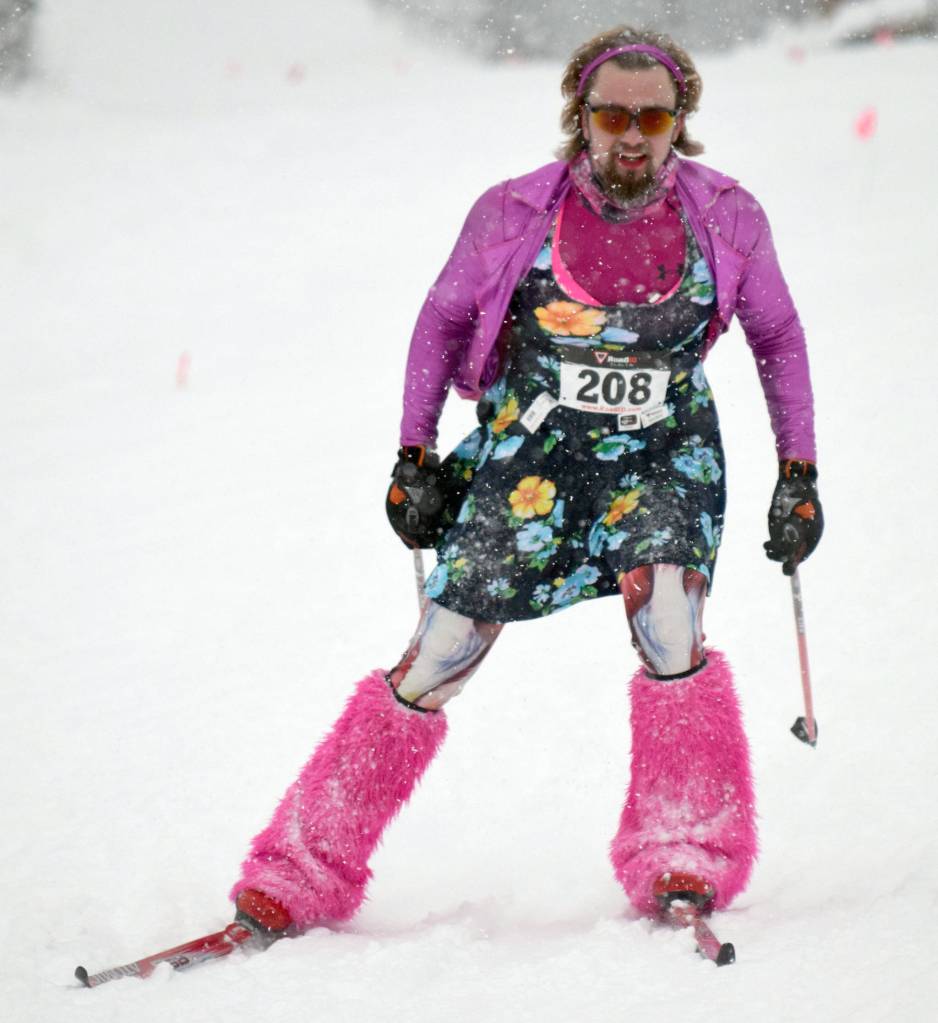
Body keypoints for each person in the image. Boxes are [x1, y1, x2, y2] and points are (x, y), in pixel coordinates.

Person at [229, 25, 823, 939]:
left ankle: (687, 851)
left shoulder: (728, 215)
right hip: (532, 457)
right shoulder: (513, 212)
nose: (631, 134)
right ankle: (300, 869)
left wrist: (800, 474)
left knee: (668, 619)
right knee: (440, 649)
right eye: (611, 114)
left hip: (664, 452)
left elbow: (777, 337)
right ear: (580, 119)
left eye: (652, 116)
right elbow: (441, 319)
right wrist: (413, 456)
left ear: (680, 122)